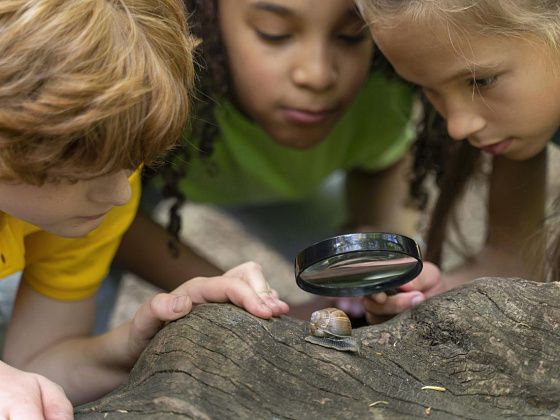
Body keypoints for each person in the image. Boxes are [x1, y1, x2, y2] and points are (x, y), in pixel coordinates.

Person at [0, 0, 288, 417]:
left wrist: (138, 344)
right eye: (84, 165)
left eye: (132, 161)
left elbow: (37, 365)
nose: (119, 194)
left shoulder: (88, 203)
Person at [111, 0, 432, 322]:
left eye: (350, 35)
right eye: (274, 33)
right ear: (200, 16)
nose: (317, 75)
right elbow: (107, 219)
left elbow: (382, 161)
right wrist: (245, 301)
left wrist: (385, 278)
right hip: (130, 191)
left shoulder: (383, 80)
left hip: (301, 186)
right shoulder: (147, 79)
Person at [352, 0, 560, 322]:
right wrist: (435, 296)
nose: (457, 126)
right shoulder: (519, 117)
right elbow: (513, 261)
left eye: (481, 81)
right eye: (426, 89)